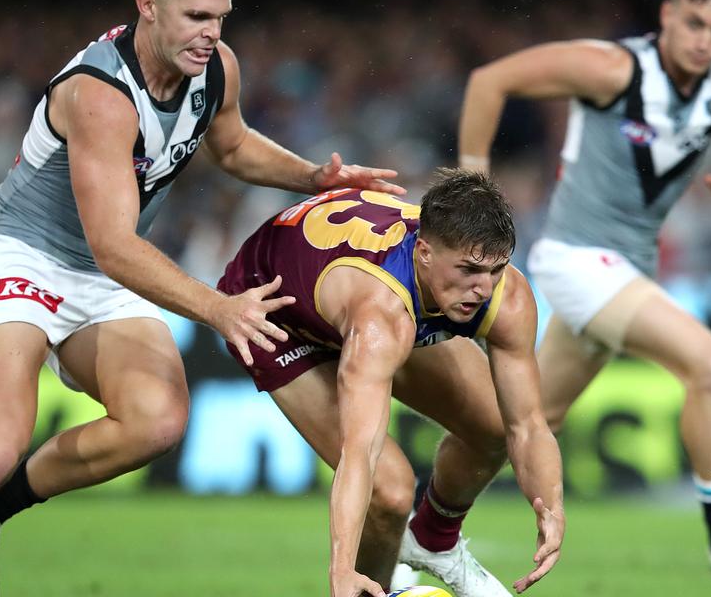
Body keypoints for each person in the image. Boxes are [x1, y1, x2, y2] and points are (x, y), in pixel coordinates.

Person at [0, 0, 401, 597]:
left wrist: (313, 176)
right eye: (196, 16)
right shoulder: (100, 96)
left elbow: (231, 146)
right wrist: (216, 308)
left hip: (104, 267)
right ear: (147, 5)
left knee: (157, 422)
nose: (212, 33)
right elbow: (113, 245)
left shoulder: (214, 69)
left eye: (221, 17)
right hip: (26, 259)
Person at [456, 0, 711, 594]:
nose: (705, 41)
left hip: (628, 266)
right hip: (577, 257)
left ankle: (419, 532)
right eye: (694, 23)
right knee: (707, 363)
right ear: (668, 15)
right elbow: (488, 81)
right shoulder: (613, 68)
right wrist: (474, 187)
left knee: (518, 422)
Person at [219, 171, 565, 597]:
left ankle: (434, 541)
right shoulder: (381, 319)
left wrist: (552, 507)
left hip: (353, 287)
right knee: (391, 491)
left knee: (495, 424)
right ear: (423, 253)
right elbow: (360, 452)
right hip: (275, 313)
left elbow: (528, 425)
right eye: (470, 269)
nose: (483, 288)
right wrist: (342, 567)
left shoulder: (503, 295)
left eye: (496, 269)